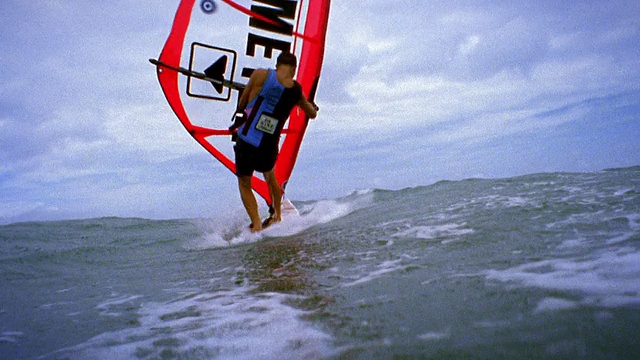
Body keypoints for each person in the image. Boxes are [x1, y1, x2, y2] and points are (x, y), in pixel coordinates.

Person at [230, 52, 318, 232]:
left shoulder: (261, 75)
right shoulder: (296, 91)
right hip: (268, 146)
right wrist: (310, 106)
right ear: (294, 69)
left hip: (247, 140)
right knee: (271, 178)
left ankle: (256, 224)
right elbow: (312, 114)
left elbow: (243, 102)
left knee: (245, 183)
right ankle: (277, 215)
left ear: (278, 65)